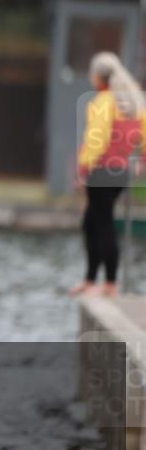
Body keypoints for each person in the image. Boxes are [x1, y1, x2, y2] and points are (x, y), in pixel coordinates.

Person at [69, 52, 146, 298]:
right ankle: (93, 280)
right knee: (93, 222)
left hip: (101, 171)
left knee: (100, 224)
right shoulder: (133, 102)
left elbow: (96, 140)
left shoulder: (104, 102)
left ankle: (108, 283)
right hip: (120, 171)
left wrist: (82, 169)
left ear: (99, 77)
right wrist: (142, 159)